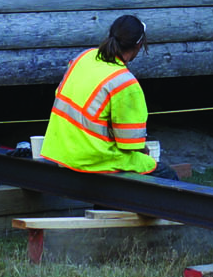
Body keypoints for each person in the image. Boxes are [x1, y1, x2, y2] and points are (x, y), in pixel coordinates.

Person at [40, 15, 178, 177]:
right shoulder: (124, 83)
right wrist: (144, 150)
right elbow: (129, 144)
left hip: (59, 151)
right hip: (93, 159)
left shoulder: (84, 57)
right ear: (139, 45)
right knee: (167, 176)